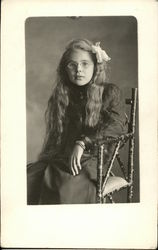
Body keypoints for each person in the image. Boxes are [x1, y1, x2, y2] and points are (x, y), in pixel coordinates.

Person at [27, 38, 128, 205]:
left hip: (93, 159)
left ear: (96, 66)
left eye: (85, 64)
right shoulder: (63, 95)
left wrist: (83, 143)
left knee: (64, 187)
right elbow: (59, 137)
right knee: (29, 178)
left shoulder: (108, 92)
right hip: (63, 157)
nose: (78, 70)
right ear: (65, 69)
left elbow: (116, 126)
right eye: (72, 65)